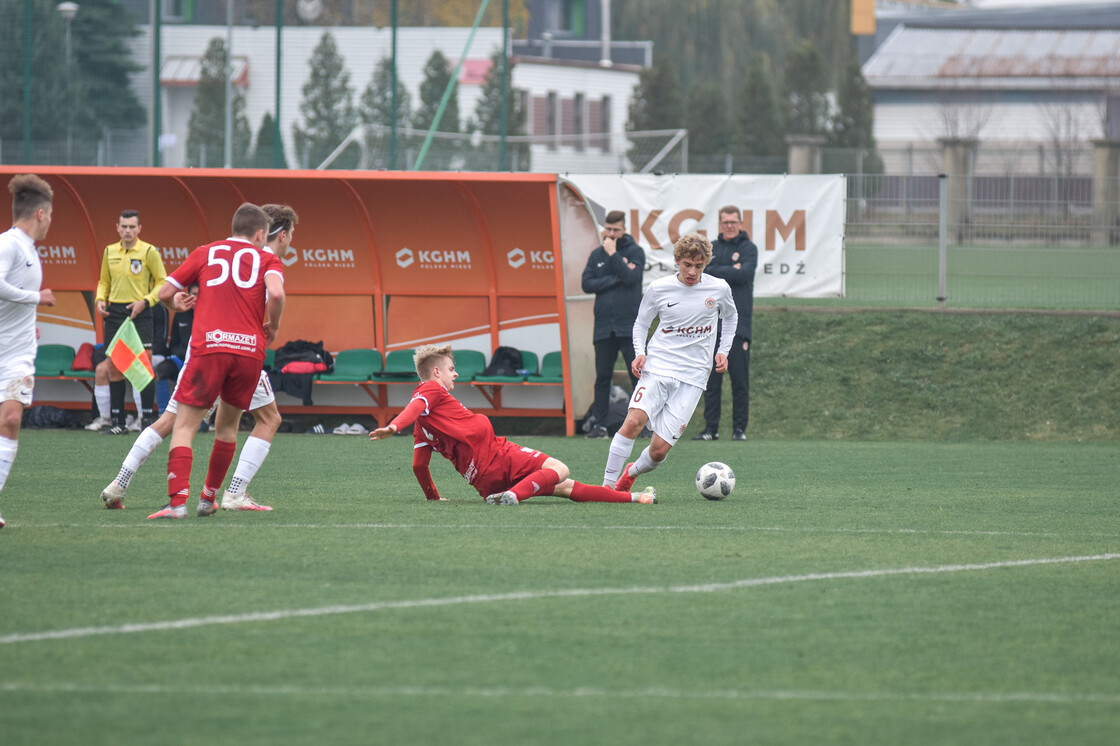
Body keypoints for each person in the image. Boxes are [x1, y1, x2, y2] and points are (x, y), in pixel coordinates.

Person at [369, 344, 657, 506]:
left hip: (483, 483)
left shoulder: (424, 426)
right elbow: (415, 405)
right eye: (451, 369)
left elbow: (419, 465)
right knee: (559, 470)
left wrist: (433, 497)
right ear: (435, 372)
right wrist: (394, 427)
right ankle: (513, 496)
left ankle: (633, 498)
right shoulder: (431, 390)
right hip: (498, 456)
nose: (455, 374)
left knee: (567, 487)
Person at [146, 203, 285, 520]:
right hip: (249, 351)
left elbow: (166, 291)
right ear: (260, 233)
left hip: (211, 347)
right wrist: (273, 326)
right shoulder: (267, 258)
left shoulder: (206, 252)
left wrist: (175, 303)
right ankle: (208, 498)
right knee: (228, 428)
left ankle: (177, 503)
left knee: (184, 427)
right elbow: (275, 295)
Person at [600, 233, 737, 491]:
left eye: (699, 266)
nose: (692, 272)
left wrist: (723, 351)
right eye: (687, 264)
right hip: (659, 367)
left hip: (694, 376)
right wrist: (639, 352)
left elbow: (730, 317)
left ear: (706, 264)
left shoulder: (719, 288)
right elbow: (641, 323)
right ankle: (606, 488)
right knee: (632, 422)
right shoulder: (659, 288)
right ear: (677, 261)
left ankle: (631, 473)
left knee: (659, 451)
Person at [0, 174, 57, 529]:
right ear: (40, 213)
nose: (51, 221)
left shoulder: (30, 251)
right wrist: (37, 298)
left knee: (11, 419)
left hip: (17, 354)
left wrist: (29, 319)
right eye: (50, 215)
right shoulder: (9, 244)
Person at [93, 210, 167, 434]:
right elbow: (104, 282)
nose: (127, 231)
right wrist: (99, 299)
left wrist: (146, 301)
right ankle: (118, 423)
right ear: (117, 227)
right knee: (113, 367)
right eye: (123, 226)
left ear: (139, 229)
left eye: (132, 227)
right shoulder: (109, 251)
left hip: (140, 311)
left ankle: (146, 420)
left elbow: (162, 282)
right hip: (115, 312)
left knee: (143, 364)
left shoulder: (148, 251)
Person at [693, 205, 759, 442]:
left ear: (740, 223)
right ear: (720, 224)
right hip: (711, 327)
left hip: (738, 328)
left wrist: (720, 271)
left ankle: (739, 430)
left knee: (740, 382)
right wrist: (731, 269)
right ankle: (711, 429)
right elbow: (705, 272)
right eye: (725, 222)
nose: (729, 226)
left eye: (733, 222)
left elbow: (745, 274)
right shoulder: (712, 248)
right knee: (711, 382)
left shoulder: (749, 248)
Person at [580, 210, 644, 439]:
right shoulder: (597, 254)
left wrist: (614, 256)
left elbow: (631, 278)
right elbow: (587, 283)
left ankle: (643, 425)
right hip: (604, 327)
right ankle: (600, 426)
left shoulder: (636, 252)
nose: (612, 234)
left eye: (616, 229)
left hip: (629, 327)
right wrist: (614, 278)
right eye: (608, 229)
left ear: (624, 229)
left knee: (637, 375)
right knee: (602, 378)